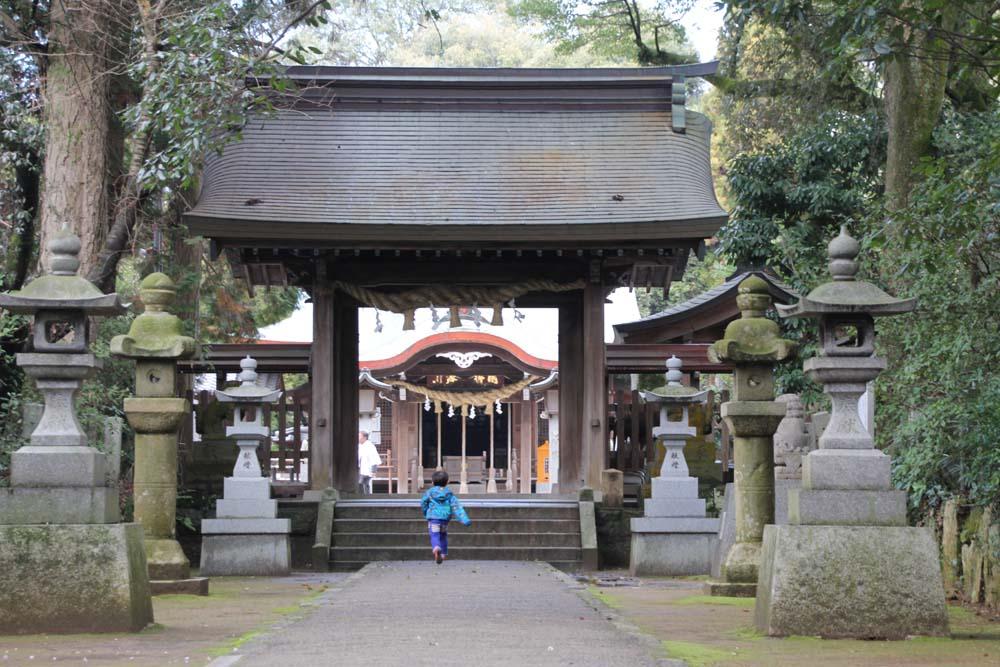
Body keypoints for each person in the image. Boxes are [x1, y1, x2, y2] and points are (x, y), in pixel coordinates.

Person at [420, 470, 471, 564]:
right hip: (445, 520)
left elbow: (423, 503)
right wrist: (465, 519)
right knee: (443, 536)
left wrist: (426, 512)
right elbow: (457, 507)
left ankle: (436, 547)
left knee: (434, 535)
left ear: (432, 482)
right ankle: (443, 554)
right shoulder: (450, 494)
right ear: (447, 482)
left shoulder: (429, 493)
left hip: (433, 518)